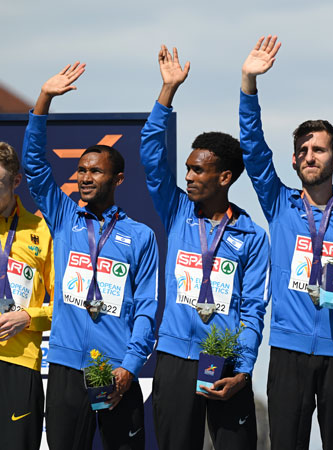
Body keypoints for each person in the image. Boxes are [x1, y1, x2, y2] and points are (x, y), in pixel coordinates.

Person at [239, 35, 333, 450]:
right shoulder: (280, 204)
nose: (309, 156)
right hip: (288, 352)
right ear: (294, 160)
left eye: (318, 150)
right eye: (302, 150)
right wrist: (249, 82)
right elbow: (253, 150)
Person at [22, 62, 159, 450]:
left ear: (117, 180)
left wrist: (129, 368)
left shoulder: (140, 236)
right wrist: (44, 99)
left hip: (114, 369)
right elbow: (34, 166)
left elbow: (147, 308)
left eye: (95, 172)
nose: (84, 177)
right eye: (81, 170)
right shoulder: (65, 217)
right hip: (66, 368)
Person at [140, 46, 269, 450]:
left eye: (199, 169)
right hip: (175, 360)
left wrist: (244, 370)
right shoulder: (178, 210)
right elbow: (150, 154)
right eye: (188, 169)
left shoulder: (252, 235)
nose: (189, 176)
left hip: (225, 362)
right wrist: (167, 91)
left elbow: (253, 309)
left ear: (225, 176)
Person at [0, 141, 54, 450]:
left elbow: (65, 304)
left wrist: (28, 316)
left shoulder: (41, 231)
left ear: (16, 181)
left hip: (20, 364)